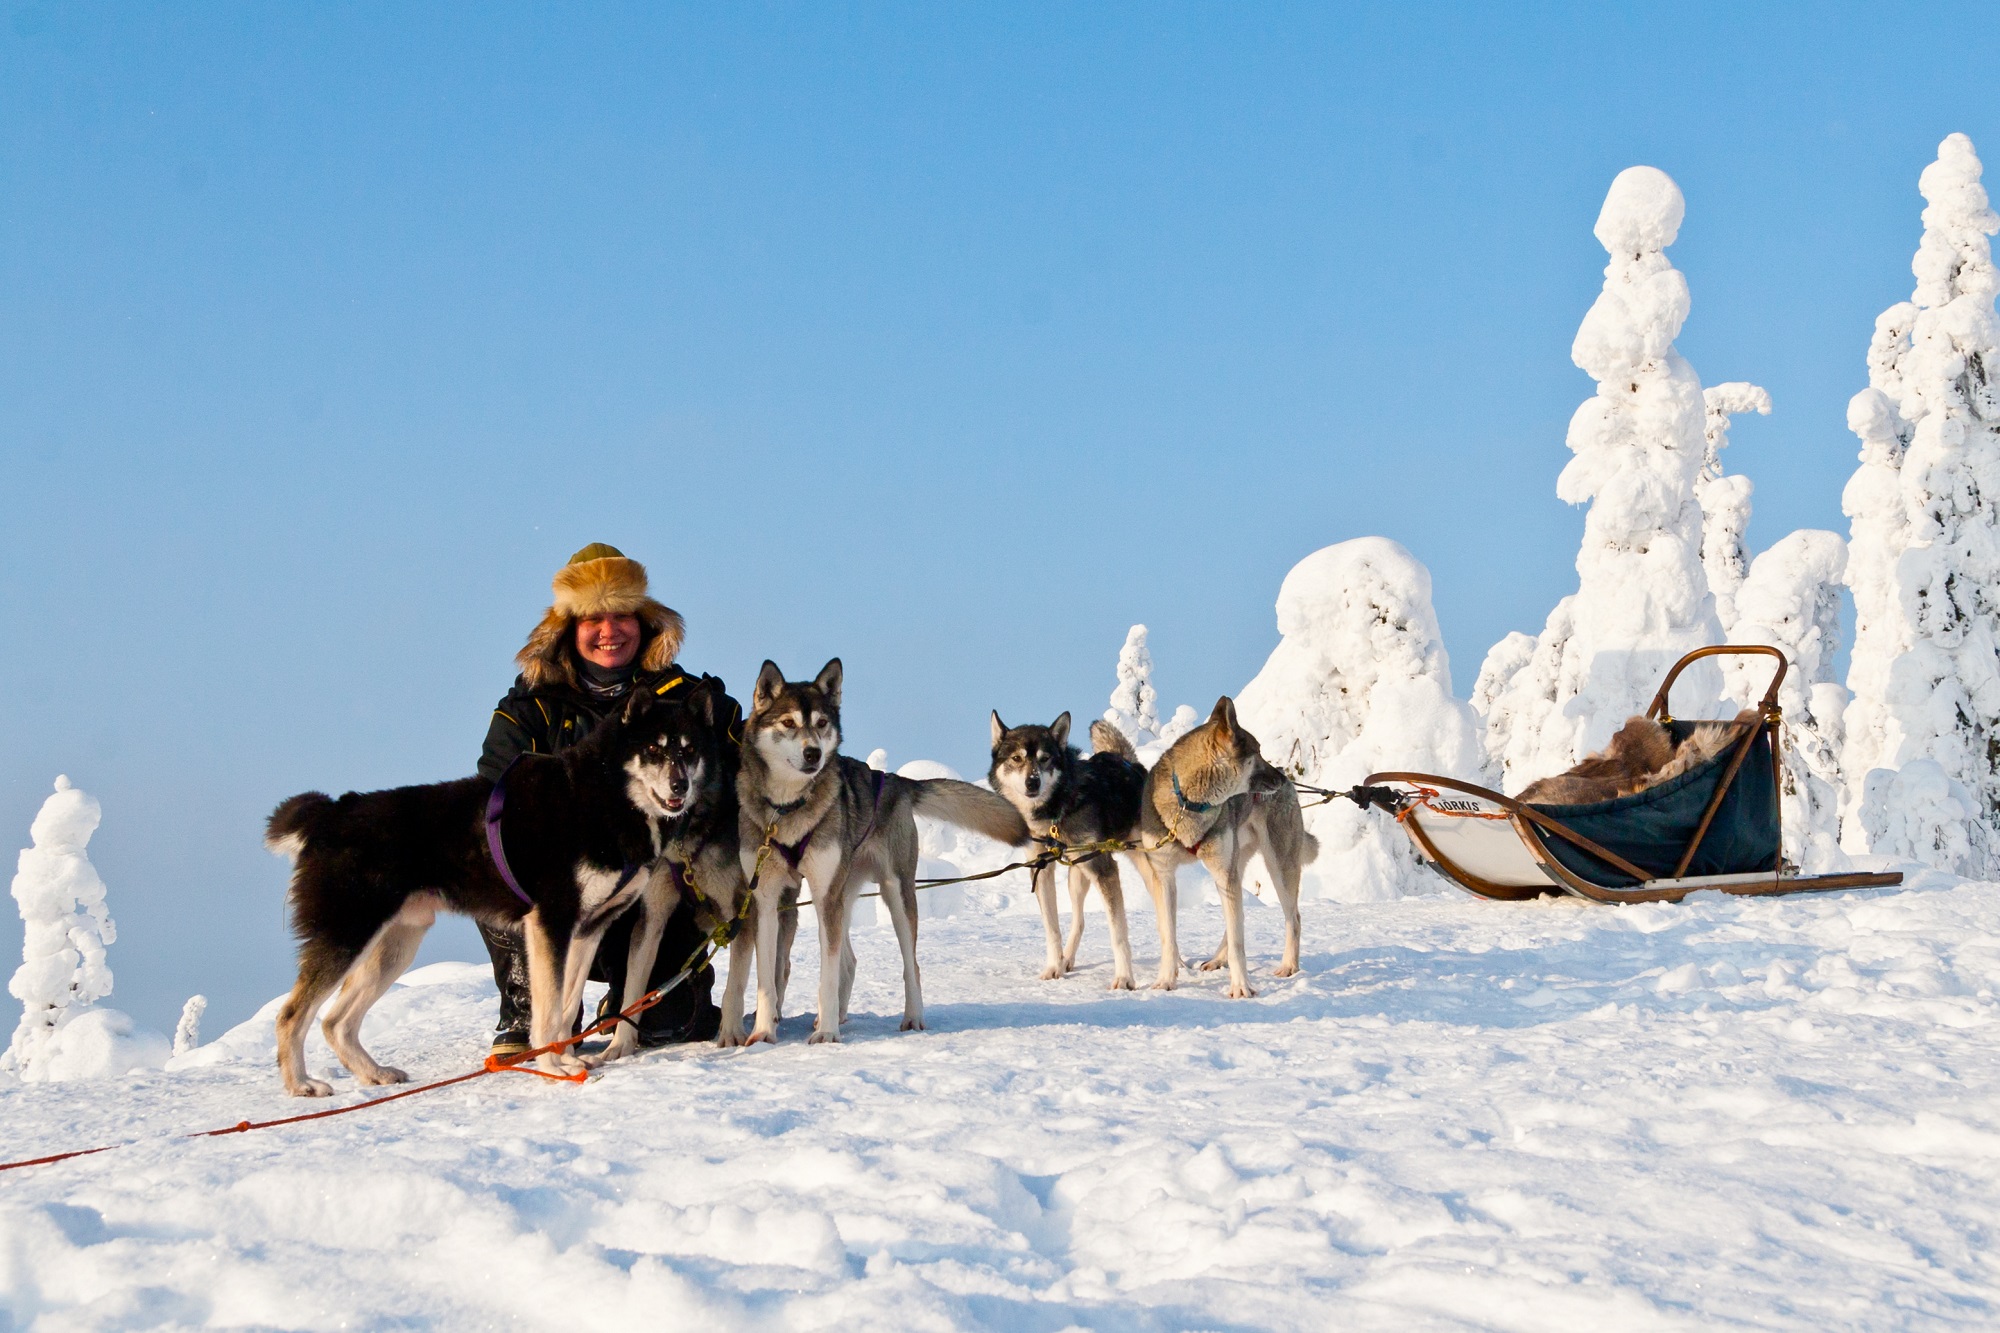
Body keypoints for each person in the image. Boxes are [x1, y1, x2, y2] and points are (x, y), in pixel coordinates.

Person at [477, 542, 734, 1058]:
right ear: (570, 629)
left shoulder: (687, 698)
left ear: (645, 623)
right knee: (497, 867)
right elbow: (494, 796)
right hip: (558, 894)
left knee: (671, 1026)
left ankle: (636, 1003)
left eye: (622, 615)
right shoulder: (530, 707)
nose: (609, 631)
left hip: (658, 895)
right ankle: (530, 1013)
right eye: (593, 618)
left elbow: (749, 768)